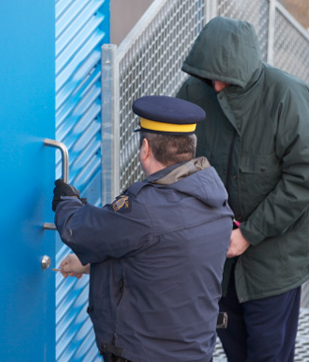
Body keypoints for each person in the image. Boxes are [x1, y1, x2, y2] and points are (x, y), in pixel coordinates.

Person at [176, 17, 309, 362]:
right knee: (236, 349)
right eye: (207, 76)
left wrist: (249, 233)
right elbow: (175, 163)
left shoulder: (288, 96)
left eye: (224, 79)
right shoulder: (192, 93)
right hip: (218, 258)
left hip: (277, 259)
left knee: (267, 353)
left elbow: (305, 177)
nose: (215, 87)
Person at [51, 95, 234, 362]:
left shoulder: (146, 208)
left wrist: (66, 202)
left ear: (145, 148)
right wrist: (90, 264)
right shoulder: (214, 198)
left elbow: (80, 230)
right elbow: (159, 259)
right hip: (194, 351)